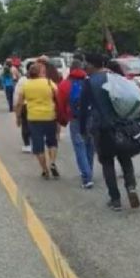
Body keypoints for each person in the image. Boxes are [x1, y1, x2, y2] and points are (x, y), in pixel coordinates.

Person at [80, 54, 140, 211]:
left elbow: (83, 108)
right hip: (121, 125)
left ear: (93, 65)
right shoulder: (115, 77)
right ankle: (131, 187)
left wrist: (82, 129)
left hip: (102, 127)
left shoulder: (89, 82)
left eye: (87, 64)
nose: (85, 67)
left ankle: (115, 199)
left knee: (107, 163)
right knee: (125, 158)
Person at [57, 59, 95, 188]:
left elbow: (61, 104)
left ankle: (86, 176)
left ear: (70, 70)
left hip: (75, 119)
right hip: (90, 117)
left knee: (80, 147)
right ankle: (89, 170)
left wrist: (63, 119)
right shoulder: (90, 81)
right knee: (90, 144)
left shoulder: (64, 84)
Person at [18, 64, 59, 179]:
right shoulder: (49, 83)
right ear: (41, 72)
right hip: (49, 116)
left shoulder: (26, 85)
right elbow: (58, 95)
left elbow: (19, 103)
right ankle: (52, 162)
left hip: (34, 118)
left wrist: (18, 117)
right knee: (52, 142)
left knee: (38, 146)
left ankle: (45, 170)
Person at [14, 61, 35, 153]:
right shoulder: (41, 80)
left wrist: (17, 111)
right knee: (35, 125)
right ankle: (36, 144)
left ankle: (27, 145)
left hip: (25, 105)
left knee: (25, 125)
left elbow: (17, 96)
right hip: (36, 105)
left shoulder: (22, 80)